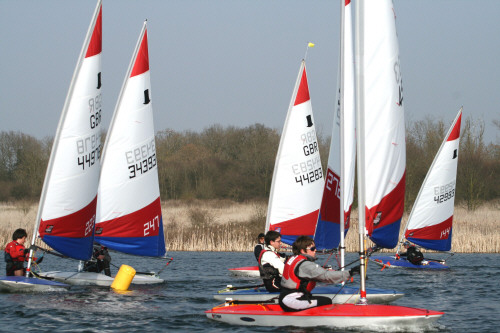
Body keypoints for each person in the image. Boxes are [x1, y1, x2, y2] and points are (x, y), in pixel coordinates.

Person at [279, 235, 360, 312]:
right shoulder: (305, 264)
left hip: (287, 298)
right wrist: (350, 272)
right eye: (312, 248)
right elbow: (326, 276)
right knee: (326, 301)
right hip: (291, 300)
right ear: (303, 251)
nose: (315, 250)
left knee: (321, 300)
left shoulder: (294, 259)